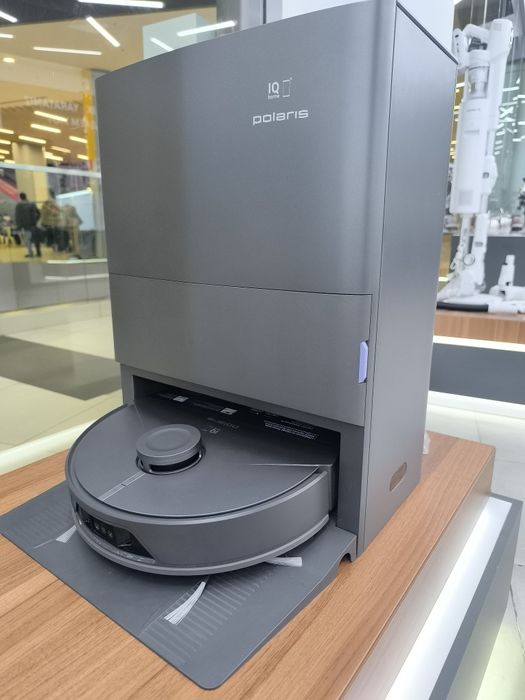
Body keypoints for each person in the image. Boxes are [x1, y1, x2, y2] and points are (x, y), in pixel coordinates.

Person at [14, 192, 41, 257]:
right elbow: (39, 213)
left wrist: (18, 226)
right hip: (33, 224)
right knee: (35, 238)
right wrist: (35, 221)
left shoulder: (19, 206)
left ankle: (30, 253)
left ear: (20, 197)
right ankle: (38, 252)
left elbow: (18, 217)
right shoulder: (32, 204)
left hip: (25, 225)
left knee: (28, 239)